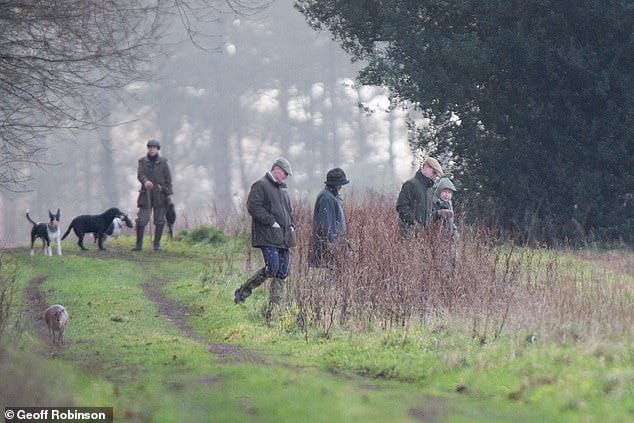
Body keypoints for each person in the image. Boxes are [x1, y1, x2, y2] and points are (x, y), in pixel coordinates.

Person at [234, 157, 296, 318]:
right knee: (272, 269)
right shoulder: (261, 185)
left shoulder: (283, 190)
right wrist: (271, 221)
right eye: (284, 173)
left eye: (287, 175)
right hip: (267, 235)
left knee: (283, 271)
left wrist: (291, 226)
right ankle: (242, 292)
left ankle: (274, 311)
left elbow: (289, 213)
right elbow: (253, 207)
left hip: (284, 237)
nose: (286, 177)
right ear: (276, 169)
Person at [131, 139, 173, 251]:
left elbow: (168, 180)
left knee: (160, 220)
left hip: (161, 196)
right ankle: (138, 245)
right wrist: (145, 181)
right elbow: (140, 175)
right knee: (141, 220)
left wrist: (169, 195)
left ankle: (156, 245)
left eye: (154, 147)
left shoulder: (163, 162)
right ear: (148, 148)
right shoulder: (142, 161)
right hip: (146, 195)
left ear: (157, 149)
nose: (152, 149)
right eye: (150, 147)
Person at [310, 167, 350, 268]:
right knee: (331, 279)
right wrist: (334, 248)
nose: (341, 187)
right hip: (328, 250)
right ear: (335, 185)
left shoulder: (332, 196)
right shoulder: (326, 198)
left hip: (335, 246)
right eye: (340, 184)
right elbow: (328, 226)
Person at [396, 157, 443, 238]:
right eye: (434, 172)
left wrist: (439, 213)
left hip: (425, 235)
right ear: (425, 167)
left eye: (437, 174)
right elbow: (401, 207)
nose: (435, 176)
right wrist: (415, 224)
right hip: (408, 233)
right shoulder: (410, 184)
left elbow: (429, 213)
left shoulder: (430, 189)